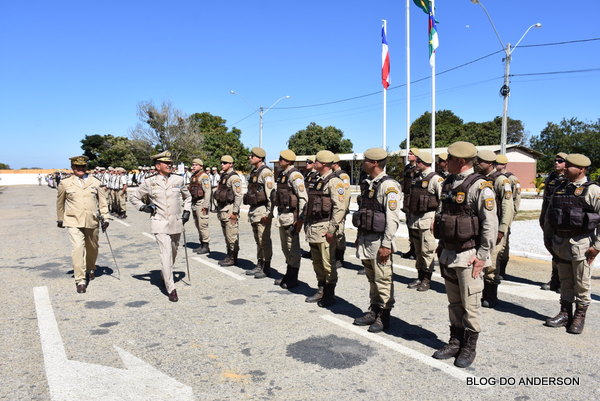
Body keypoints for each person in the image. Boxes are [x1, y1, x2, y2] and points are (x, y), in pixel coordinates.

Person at [432, 141, 498, 368]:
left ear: (460, 161)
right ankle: (455, 341)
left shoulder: (481, 187)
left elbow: (490, 225)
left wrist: (482, 256)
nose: (444, 162)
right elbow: (442, 215)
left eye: (448, 159)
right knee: (454, 302)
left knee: (470, 304)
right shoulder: (448, 184)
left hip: (469, 255)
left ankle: (469, 347)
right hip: (449, 252)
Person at [543, 153, 599, 334]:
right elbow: (551, 214)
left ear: (581, 169)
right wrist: (548, 237)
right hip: (560, 241)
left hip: (581, 243)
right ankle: (565, 312)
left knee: (581, 282)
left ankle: (579, 316)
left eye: (570, 166)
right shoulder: (560, 187)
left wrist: (597, 246)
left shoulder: (593, 190)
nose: (564, 168)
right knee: (565, 280)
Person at [130, 151, 191, 302]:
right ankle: (171, 287)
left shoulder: (178, 180)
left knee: (174, 252)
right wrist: (143, 207)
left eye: (171, 163)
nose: (170, 165)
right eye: (167, 163)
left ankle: (165, 273)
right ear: (158, 166)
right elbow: (134, 197)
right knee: (166, 253)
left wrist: (187, 211)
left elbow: (188, 196)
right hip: (159, 222)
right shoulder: (149, 182)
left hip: (176, 222)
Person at [352, 148, 402, 332]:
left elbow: (393, 218)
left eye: (365, 160)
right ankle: (374, 309)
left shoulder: (388, 186)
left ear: (374, 163)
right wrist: (359, 237)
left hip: (379, 241)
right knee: (372, 278)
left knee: (383, 278)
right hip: (366, 238)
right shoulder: (368, 184)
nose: (362, 162)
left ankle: (384, 315)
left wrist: (387, 244)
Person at [56, 155, 109, 294]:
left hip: (92, 220)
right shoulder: (65, 183)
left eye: (83, 167)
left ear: (86, 167)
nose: (80, 169)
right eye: (77, 167)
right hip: (73, 220)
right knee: (78, 248)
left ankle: (91, 267)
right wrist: (60, 218)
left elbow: (103, 202)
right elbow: (60, 202)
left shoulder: (95, 182)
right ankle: (80, 280)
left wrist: (106, 217)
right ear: (72, 168)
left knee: (93, 247)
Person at [304, 150, 346, 307]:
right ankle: (321, 289)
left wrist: (332, 230)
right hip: (313, 227)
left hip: (325, 228)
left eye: (316, 161)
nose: (314, 163)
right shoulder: (316, 179)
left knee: (328, 263)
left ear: (323, 164)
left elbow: (340, 208)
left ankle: (329, 293)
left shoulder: (335, 182)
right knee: (317, 262)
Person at [476, 149, 514, 308]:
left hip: (495, 227)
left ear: (490, 164)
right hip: (480, 226)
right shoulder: (479, 179)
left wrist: (502, 229)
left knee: (491, 264)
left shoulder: (501, 181)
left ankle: (491, 295)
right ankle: (479, 292)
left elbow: (507, 206)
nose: (477, 164)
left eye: (481, 161)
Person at [406, 149, 443, 292]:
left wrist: (437, 220)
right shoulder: (416, 177)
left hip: (428, 219)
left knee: (427, 251)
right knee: (418, 251)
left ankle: (427, 279)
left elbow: (442, 202)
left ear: (424, 163)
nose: (416, 164)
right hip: (415, 219)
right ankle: (420, 276)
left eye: (418, 162)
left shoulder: (436, 179)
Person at [273, 150, 308, 289]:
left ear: (288, 161)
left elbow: (303, 198)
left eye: (281, 159)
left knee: (292, 248)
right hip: (283, 216)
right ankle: (289, 274)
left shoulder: (295, 175)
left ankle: (293, 277)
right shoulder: (283, 174)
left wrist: (300, 219)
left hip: (291, 217)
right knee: (285, 247)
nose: (279, 160)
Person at [244, 147, 275, 278]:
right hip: (254, 209)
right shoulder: (254, 171)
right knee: (258, 240)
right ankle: (259, 263)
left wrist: (268, 213)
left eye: (252, 156)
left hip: (262, 210)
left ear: (260, 158)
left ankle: (266, 266)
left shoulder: (266, 173)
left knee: (264, 240)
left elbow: (271, 196)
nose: (250, 157)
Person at [539, 152, 568, 291]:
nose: (557, 163)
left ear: (566, 163)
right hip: (549, 218)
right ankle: (555, 280)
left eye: (560, 161)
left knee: (562, 250)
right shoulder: (551, 177)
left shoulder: (569, 178)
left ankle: (564, 283)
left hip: (562, 220)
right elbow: (545, 199)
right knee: (551, 247)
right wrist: (542, 217)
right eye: (556, 160)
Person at [495, 154, 521, 279]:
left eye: (498, 164)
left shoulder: (511, 179)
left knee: (503, 244)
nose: (496, 166)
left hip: (506, 216)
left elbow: (515, 200)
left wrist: (510, 217)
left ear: (504, 165)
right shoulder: (494, 177)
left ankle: (501, 270)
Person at [213, 155, 243, 267]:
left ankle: (233, 257)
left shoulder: (234, 178)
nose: (222, 164)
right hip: (223, 209)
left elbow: (238, 195)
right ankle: (229, 255)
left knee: (232, 235)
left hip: (229, 209)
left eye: (225, 163)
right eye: (221, 162)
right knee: (227, 235)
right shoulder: (223, 176)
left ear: (231, 164)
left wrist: (235, 212)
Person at [188, 158, 212, 255]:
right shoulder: (194, 176)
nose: (193, 166)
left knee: (203, 225)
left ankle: (206, 246)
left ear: (201, 166)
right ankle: (202, 244)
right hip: (194, 202)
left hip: (201, 203)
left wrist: (205, 205)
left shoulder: (204, 176)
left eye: (196, 165)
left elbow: (208, 191)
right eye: (193, 164)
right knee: (197, 225)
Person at [332, 154, 351, 268]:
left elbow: (346, 194)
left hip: (340, 209)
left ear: (335, 163)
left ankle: (340, 258)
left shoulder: (343, 176)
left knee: (339, 234)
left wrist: (343, 210)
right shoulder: (332, 175)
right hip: (333, 209)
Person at [400, 148, 418, 260]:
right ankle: (412, 249)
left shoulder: (418, 168)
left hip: (415, 200)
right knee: (409, 226)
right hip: (407, 201)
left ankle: (417, 251)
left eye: (411, 154)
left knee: (415, 227)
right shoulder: (407, 168)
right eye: (409, 153)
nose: (409, 155)